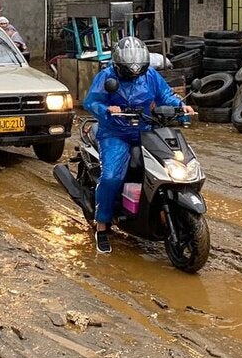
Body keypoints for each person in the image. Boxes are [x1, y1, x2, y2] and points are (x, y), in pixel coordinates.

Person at [82, 37, 193, 255]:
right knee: (112, 176)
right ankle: (102, 225)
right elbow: (91, 102)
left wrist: (181, 106)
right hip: (115, 133)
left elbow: (166, 96)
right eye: (128, 71)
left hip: (145, 131)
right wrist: (107, 110)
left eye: (138, 71)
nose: (134, 75)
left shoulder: (151, 75)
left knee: (168, 168)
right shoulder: (106, 76)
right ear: (117, 66)